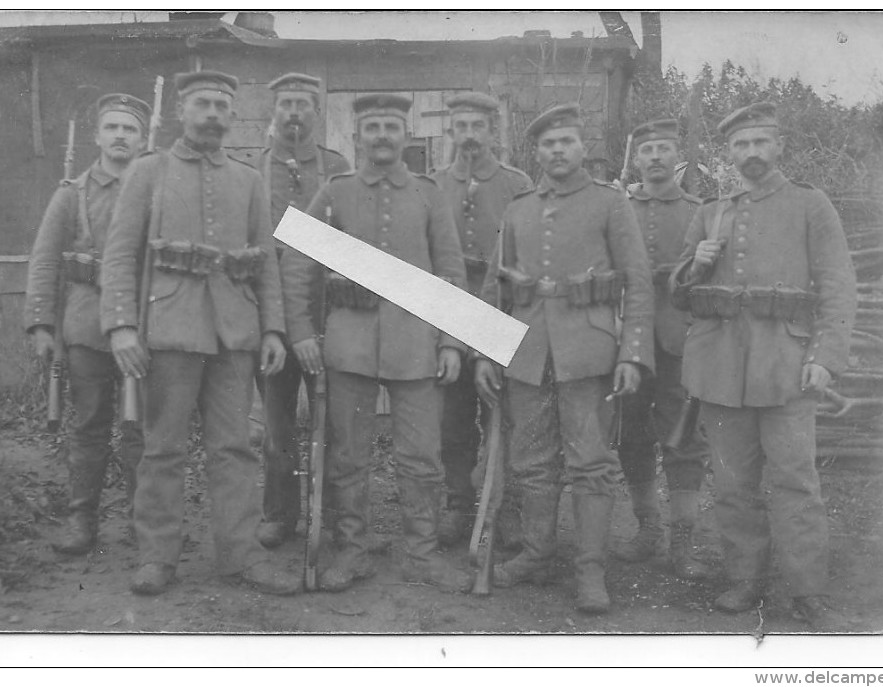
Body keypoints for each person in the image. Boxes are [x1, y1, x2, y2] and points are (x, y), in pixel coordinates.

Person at [99, 71, 295, 596]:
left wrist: (272, 329)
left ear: (232, 117)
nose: (212, 114)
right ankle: (157, 558)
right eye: (202, 104)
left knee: (236, 447)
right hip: (168, 330)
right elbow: (119, 253)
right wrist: (121, 325)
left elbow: (266, 265)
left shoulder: (249, 179)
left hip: (235, 333)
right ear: (183, 111)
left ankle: (241, 555)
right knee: (162, 448)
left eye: (221, 106)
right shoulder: (148, 172)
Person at [672, 102, 856, 630]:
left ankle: (807, 591)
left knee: (796, 482)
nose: (750, 153)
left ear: (779, 146)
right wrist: (695, 264)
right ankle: (744, 579)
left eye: (760, 142)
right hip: (721, 368)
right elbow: (678, 292)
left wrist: (825, 358)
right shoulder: (711, 210)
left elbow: (839, 286)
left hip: (788, 366)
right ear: (728, 154)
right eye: (739, 145)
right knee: (733, 484)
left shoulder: (810, 205)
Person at [280, 93, 471, 593]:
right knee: (347, 454)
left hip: (416, 343)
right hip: (350, 343)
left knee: (422, 455)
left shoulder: (429, 194)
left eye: (391, 125)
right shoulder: (335, 192)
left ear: (405, 135)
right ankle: (353, 549)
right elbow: (299, 266)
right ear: (358, 137)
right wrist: (300, 331)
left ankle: (422, 553)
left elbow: (450, 271)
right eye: (372, 127)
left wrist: (452, 340)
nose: (382, 135)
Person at [475, 103, 655, 613]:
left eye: (567, 142)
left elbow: (637, 282)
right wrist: (485, 351)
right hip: (528, 351)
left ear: (582, 147)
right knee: (531, 462)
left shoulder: (610, 204)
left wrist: (632, 352)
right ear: (536, 152)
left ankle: (590, 571)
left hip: (590, 353)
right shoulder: (519, 208)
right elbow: (496, 285)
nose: (557, 151)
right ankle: (537, 553)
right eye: (548, 144)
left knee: (591, 464)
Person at [24, 93, 150, 555]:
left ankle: (144, 523)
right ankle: (82, 522)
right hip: (85, 328)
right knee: (90, 426)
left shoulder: (153, 188)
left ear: (143, 139)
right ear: (98, 136)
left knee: (140, 428)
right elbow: (43, 261)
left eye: (130, 129)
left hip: (140, 329)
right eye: (112, 127)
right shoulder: (70, 194)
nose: (120, 135)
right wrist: (41, 324)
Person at [430, 92, 533, 547]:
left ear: (493, 132)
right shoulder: (432, 185)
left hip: (500, 308)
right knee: (452, 419)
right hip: (448, 307)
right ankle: (457, 503)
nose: (469, 136)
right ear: (450, 131)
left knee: (502, 416)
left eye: (477, 126)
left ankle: (502, 505)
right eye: (461, 126)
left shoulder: (517, 184)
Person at [253, 72, 350, 549]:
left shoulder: (336, 168)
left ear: (316, 112)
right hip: (269, 318)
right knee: (277, 425)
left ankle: (330, 514)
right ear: (274, 110)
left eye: (303, 104)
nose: (294, 111)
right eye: (286, 102)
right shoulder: (253, 171)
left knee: (331, 422)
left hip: (324, 316)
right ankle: (279, 513)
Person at [613, 118, 713, 579]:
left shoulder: (699, 210)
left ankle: (682, 541)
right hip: (627, 339)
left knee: (683, 435)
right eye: (647, 149)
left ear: (678, 158)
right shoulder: (618, 205)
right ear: (636, 159)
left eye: (664, 149)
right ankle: (647, 527)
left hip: (679, 337)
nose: (655, 157)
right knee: (631, 432)